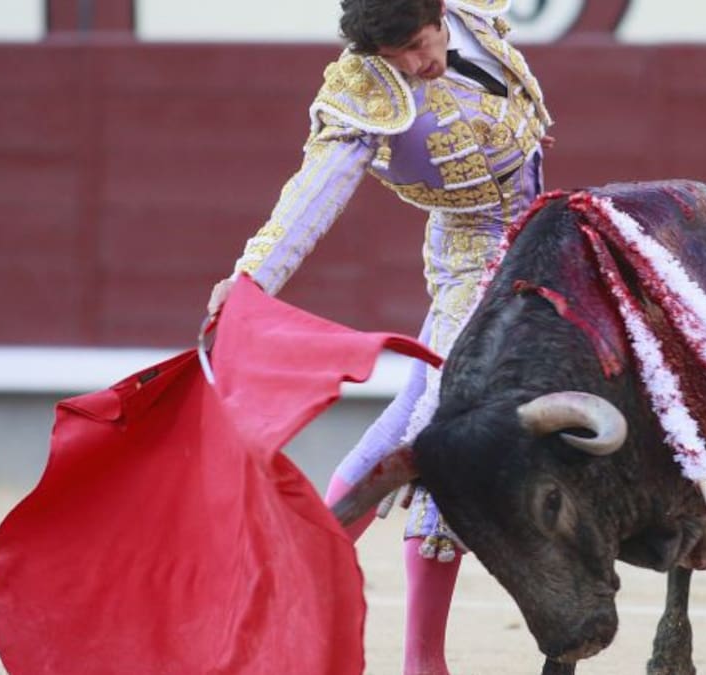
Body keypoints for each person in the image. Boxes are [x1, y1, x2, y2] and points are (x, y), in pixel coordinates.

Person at [207, 1, 553, 672]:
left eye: (420, 45)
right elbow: (317, 189)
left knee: (409, 420)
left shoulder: (467, 11)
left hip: (534, 236)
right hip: (473, 254)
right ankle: (421, 660)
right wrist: (250, 279)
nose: (416, 65)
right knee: (441, 433)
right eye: (396, 57)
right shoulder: (365, 89)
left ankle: (296, 572)